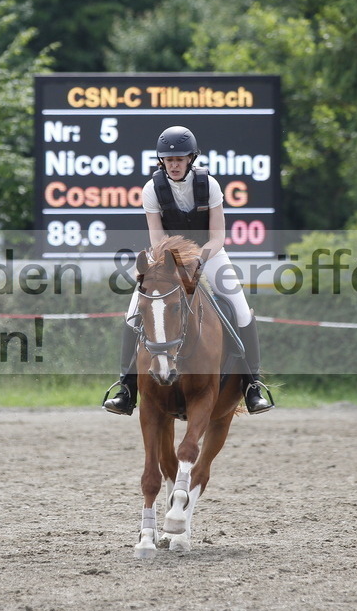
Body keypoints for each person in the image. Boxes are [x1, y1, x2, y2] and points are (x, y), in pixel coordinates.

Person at [102, 125, 274, 415]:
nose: (175, 164)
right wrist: (173, 263)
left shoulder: (210, 185)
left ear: (191, 159)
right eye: (169, 160)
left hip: (210, 254)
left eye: (180, 159)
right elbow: (157, 239)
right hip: (167, 258)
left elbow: (218, 237)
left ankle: (252, 385)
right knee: (133, 314)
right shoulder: (151, 189)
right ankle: (126, 388)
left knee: (241, 310)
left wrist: (197, 260)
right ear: (162, 162)